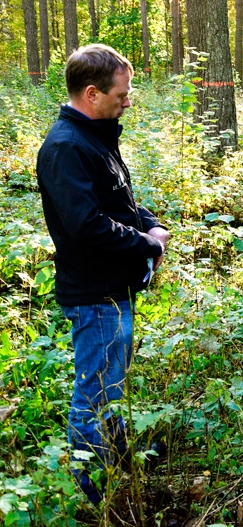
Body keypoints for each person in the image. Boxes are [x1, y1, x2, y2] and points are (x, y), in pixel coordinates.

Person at [36, 44, 169, 503]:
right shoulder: (67, 147)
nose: (128, 100)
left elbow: (118, 202)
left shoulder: (96, 136)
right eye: (122, 94)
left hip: (113, 288)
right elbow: (87, 223)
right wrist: (147, 244)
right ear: (92, 93)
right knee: (94, 392)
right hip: (94, 295)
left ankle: (115, 457)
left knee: (110, 384)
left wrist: (148, 221)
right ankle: (94, 492)